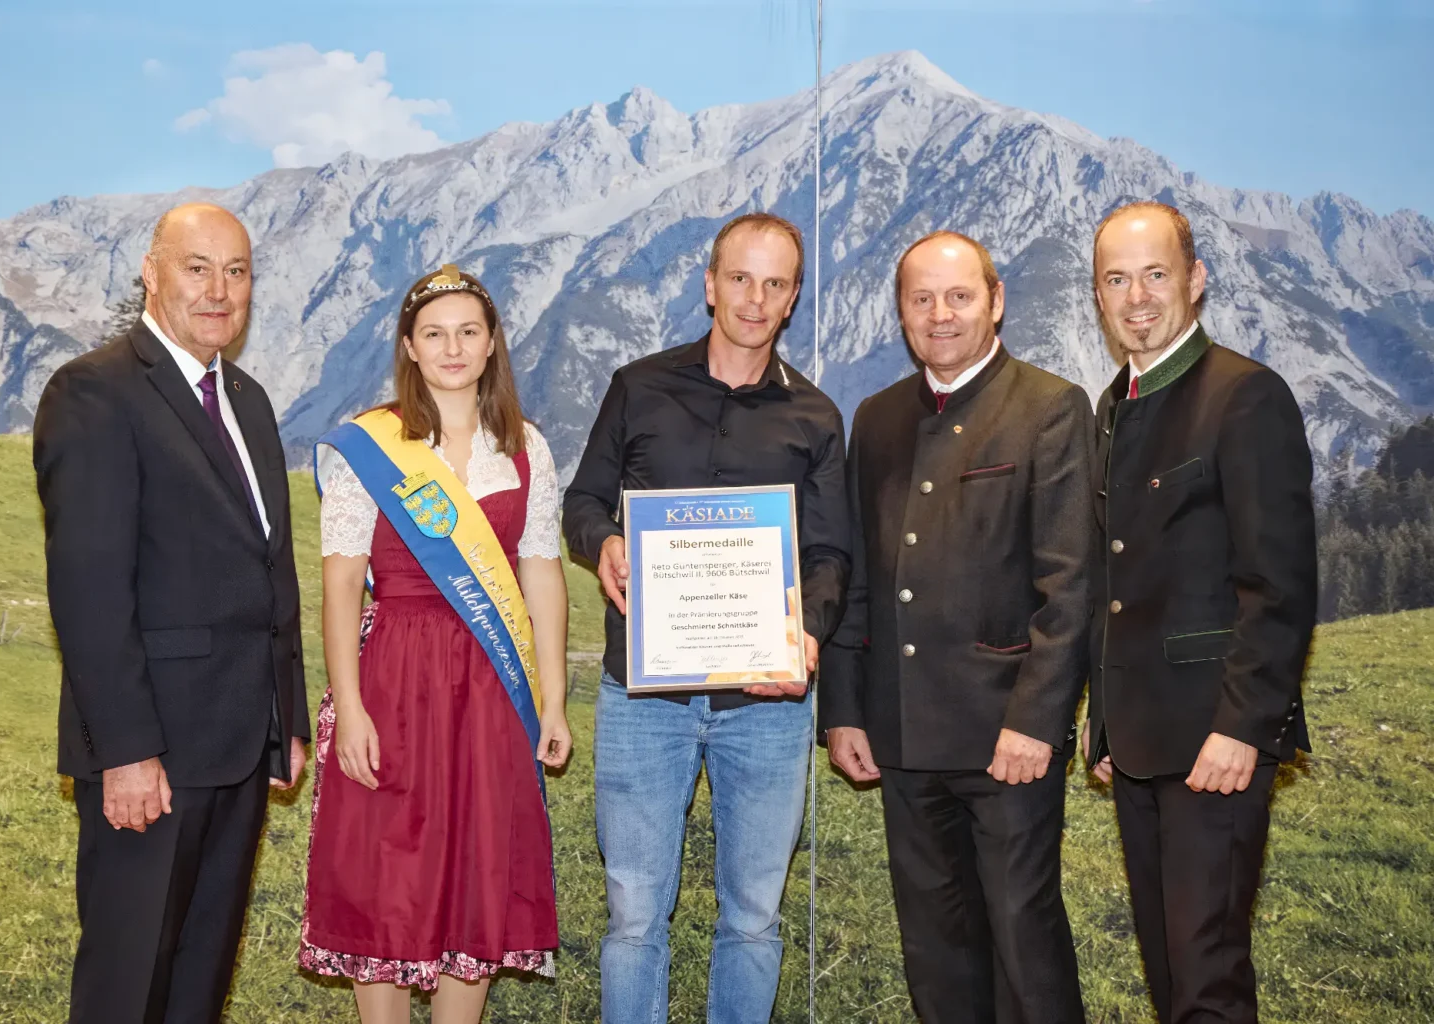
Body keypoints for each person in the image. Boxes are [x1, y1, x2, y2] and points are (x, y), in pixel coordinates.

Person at [563, 212, 851, 1023]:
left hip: (765, 706)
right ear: (710, 286)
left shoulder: (817, 416)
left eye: (774, 284)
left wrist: (808, 631)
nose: (755, 299)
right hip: (641, 697)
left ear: (792, 298)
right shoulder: (638, 386)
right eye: (740, 279)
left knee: (754, 918)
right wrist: (604, 541)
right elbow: (582, 500)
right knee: (633, 917)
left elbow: (831, 553)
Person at [32, 202, 311, 1024]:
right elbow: (88, 591)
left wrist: (285, 718)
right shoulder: (95, 392)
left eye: (237, 272)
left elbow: (271, 568)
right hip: (149, 759)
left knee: (198, 988)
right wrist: (125, 752)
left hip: (239, 749)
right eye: (198, 268)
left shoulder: (249, 401)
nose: (219, 290)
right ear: (152, 274)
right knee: (127, 991)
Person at [821, 231, 1092, 1024]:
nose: (940, 314)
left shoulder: (1049, 407)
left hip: (1007, 737)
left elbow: (1070, 584)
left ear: (995, 301)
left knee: (1024, 943)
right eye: (922, 299)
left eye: (959, 296)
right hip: (902, 734)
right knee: (934, 953)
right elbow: (859, 577)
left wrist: (1036, 721)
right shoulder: (877, 418)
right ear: (902, 312)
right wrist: (844, 710)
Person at [299, 264, 571, 1024]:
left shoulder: (526, 449)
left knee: (478, 861)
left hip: (492, 683)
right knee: (383, 867)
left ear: (492, 344)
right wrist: (350, 706)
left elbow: (541, 574)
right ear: (410, 348)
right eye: (434, 334)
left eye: (468, 332)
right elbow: (341, 586)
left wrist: (552, 699)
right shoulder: (370, 446)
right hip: (393, 675)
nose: (452, 349)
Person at [1083, 201, 1317, 1024]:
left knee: (1207, 981)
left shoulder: (1246, 396)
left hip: (1216, 742)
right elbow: (1115, 579)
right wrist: (1105, 722)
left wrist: (1243, 728)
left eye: (1156, 274)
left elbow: (1279, 587)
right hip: (1138, 744)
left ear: (1196, 279)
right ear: (1098, 295)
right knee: (1169, 975)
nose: (1137, 297)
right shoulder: (1114, 405)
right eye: (1117, 279)